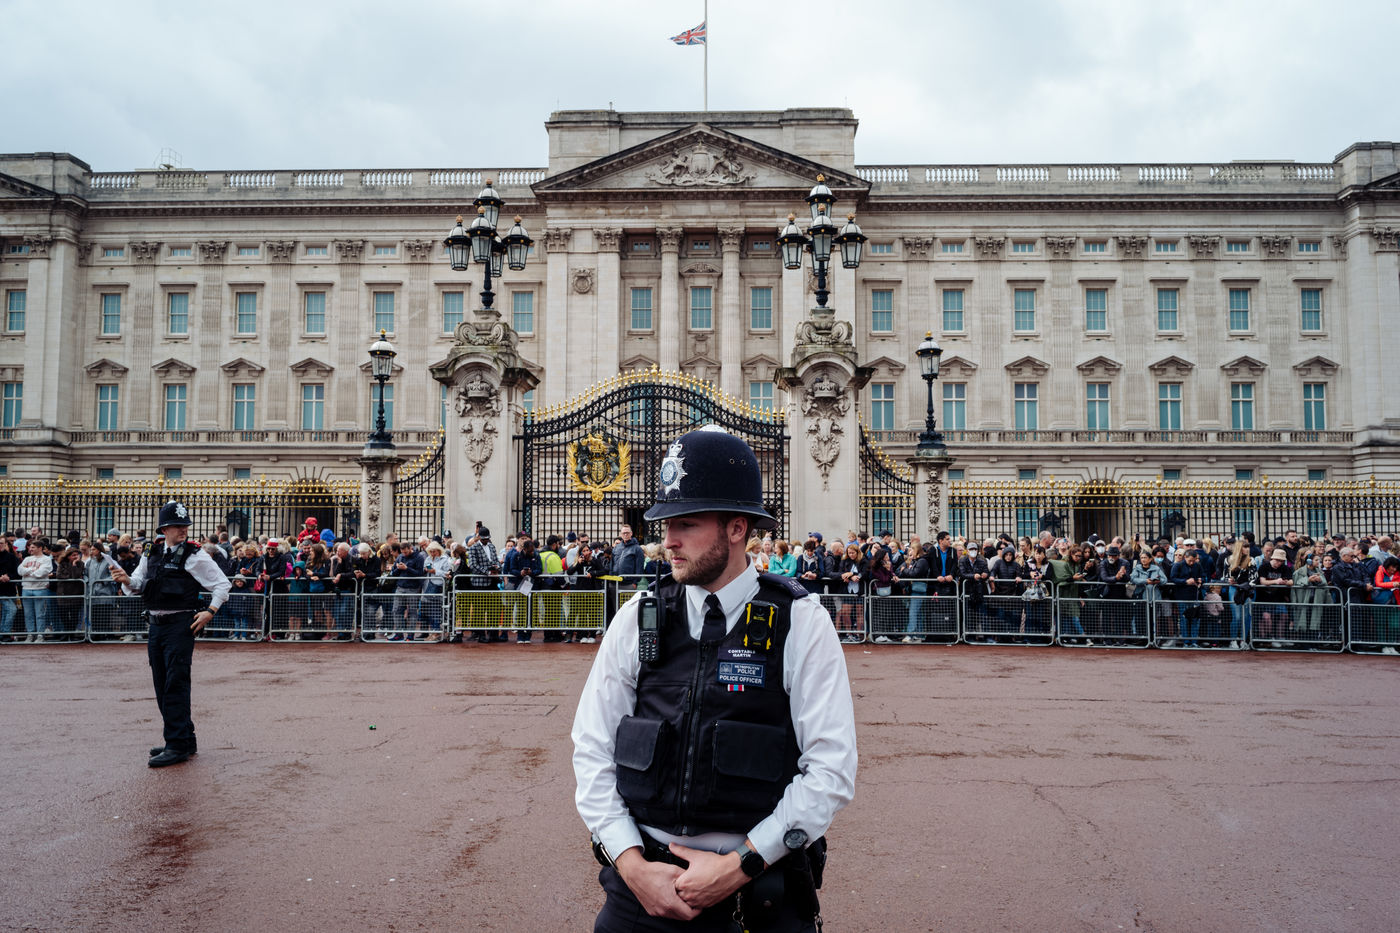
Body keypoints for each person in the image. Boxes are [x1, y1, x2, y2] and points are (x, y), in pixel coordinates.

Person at [572, 425, 856, 933]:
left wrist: (740, 866)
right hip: (641, 892)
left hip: (757, 896)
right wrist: (632, 865)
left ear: (736, 528)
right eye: (666, 524)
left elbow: (831, 769)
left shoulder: (800, 621)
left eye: (687, 523)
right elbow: (592, 747)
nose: (668, 541)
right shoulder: (639, 616)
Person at [109, 501, 230, 768]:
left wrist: (210, 611)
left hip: (180, 625)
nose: (183, 530)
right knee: (162, 683)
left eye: (185, 525)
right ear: (164, 529)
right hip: (156, 626)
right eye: (177, 526)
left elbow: (222, 585)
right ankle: (184, 738)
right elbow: (138, 583)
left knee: (175, 683)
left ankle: (176, 745)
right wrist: (125, 580)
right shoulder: (151, 552)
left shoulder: (195, 555)